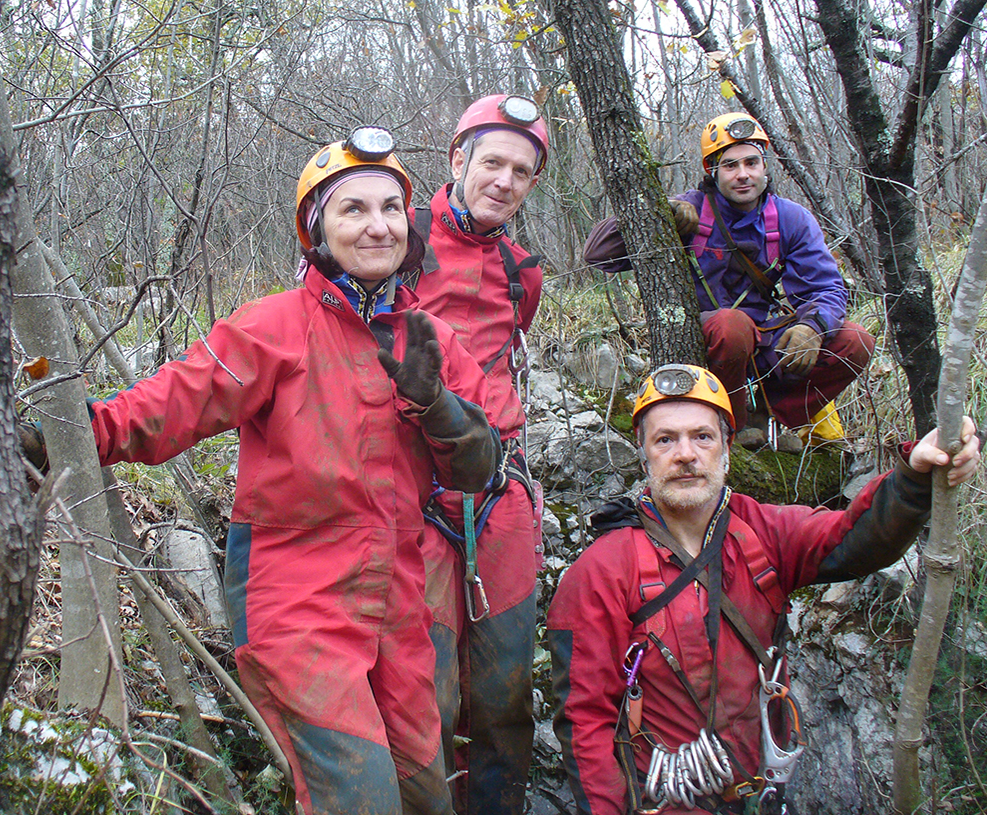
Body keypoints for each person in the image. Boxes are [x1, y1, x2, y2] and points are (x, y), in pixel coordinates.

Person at [41, 129, 503, 815]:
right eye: (353, 210)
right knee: (357, 798)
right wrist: (63, 436)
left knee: (426, 796)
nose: (377, 225)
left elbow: (478, 472)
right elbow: (168, 408)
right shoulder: (272, 329)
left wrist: (436, 405)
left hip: (401, 601)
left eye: (390, 208)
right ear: (317, 227)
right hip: (296, 602)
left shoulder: (433, 340)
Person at [547, 363, 980, 815]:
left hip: (764, 793)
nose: (685, 454)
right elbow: (584, 721)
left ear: (726, 447)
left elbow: (854, 540)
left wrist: (912, 476)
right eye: (665, 439)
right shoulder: (600, 573)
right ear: (644, 455)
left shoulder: (765, 533)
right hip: (664, 802)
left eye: (702, 436)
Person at [404, 93, 547, 814]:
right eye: (492, 162)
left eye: (522, 172)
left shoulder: (522, 270)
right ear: (457, 159)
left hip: (500, 494)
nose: (505, 181)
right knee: (425, 690)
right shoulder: (392, 237)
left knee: (505, 688)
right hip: (416, 491)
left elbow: (504, 355)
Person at [583, 112, 875, 447]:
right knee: (730, 326)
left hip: (761, 341)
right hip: (704, 339)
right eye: (730, 165)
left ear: (765, 166)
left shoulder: (790, 219)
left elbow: (826, 288)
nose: (743, 175)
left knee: (855, 340)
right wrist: (660, 213)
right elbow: (597, 254)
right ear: (712, 171)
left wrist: (813, 327)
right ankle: (726, 431)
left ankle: (770, 422)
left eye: (752, 162)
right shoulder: (688, 209)